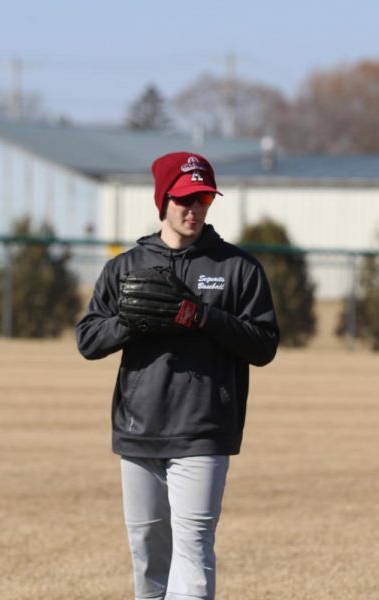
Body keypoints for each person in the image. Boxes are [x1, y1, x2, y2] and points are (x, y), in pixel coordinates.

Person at [76, 151, 279, 600]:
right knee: (148, 556)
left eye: (203, 198)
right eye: (185, 198)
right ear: (162, 200)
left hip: (203, 430)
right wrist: (131, 322)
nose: (195, 209)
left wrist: (200, 316)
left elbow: (263, 345)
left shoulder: (237, 268)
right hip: (139, 429)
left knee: (193, 553)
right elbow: (88, 341)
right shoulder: (125, 268)